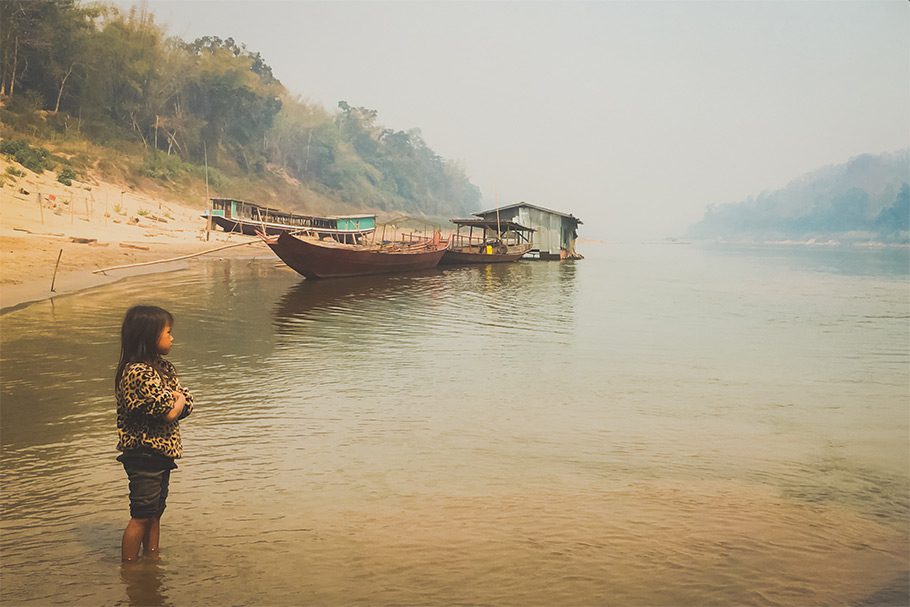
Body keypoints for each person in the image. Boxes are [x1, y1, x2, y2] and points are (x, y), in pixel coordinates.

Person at [115, 305, 193, 563]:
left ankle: (151, 562)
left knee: (155, 512)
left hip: (161, 453)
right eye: (168, 332)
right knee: (141, 513)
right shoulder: (137, 372)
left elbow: (186, 402)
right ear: (149, 336)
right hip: (143, 452)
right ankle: (130, 570)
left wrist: (177, 402)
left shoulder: (164, 368)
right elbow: (166, 410)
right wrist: (176, 402)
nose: (172, 337)